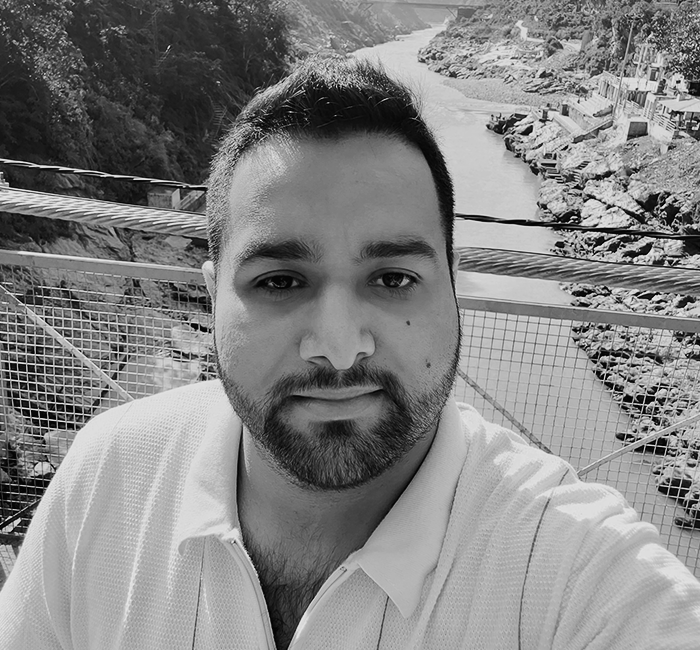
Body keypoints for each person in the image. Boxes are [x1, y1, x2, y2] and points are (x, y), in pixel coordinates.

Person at [1, 56, 700, 650]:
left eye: (393, 279)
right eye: (280, 282)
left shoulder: (582, 577)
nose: (339, 350)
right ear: (212, 297)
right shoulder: (108, 478)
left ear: (452, 288)